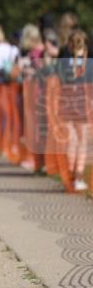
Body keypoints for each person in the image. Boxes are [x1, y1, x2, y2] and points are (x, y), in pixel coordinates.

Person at [56, 30, 92, 191]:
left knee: (72, 141)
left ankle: (69, 174)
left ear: (70, 46)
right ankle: (78, 176)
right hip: (82, 105)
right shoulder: (88, 64)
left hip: (66, 103)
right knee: (82, 141)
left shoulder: (64, 62)